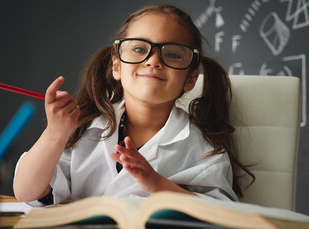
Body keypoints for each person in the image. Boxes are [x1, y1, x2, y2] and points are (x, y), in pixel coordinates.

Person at [13, 4, 254, 206]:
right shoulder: (83, 130)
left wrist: (157, 184)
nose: (153, 60)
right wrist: (54, 134)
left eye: (172, 54)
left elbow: (223, 212)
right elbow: (26, 192)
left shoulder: (204, 148)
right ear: (117, 66)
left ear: (190, 78)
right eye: (139, 49)